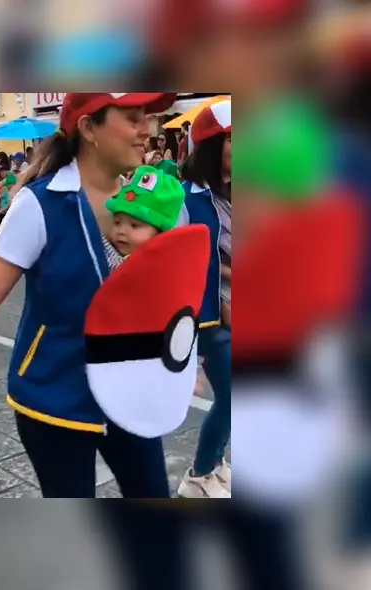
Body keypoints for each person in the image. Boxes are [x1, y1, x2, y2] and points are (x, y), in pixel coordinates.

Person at [0, 93, 179, 497]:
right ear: (89, 129)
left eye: (148, 118)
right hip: (55, 397)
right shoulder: (39, 203)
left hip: (129, 393)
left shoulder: (147, 202)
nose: (148, 130)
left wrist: (179, 356)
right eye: (133, 118)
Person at [176, 98, 232, 499]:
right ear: (213, 146)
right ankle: (198, 475)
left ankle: (216, 464)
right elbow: (182, 263)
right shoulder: (185, 200)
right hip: (211, 317)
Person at [105, 165, 187, 270]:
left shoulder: (156, 268)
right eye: (117, 222)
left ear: (160, 234)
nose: (121, 231)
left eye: (134, 225)